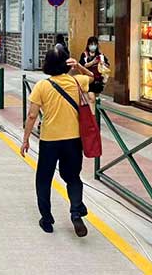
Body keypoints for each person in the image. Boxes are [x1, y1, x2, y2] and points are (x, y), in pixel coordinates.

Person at [21, 45, 96, 237]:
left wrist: (26, 139)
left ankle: (47, 220)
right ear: (66, 63)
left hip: (49, 140)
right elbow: (93, 77)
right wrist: (79, 66)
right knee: (73, 177)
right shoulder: (77, 81)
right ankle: (76, 211)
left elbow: (32, 116)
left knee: (44, 179)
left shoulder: (42, 86)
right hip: (73, 140)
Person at [79, 36, 110, 104]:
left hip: (98, 80)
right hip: (88, 79)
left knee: (94, 98)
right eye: (91, 44)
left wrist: (103, 64)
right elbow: (82, 65)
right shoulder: (85, 55)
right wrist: (93, 62)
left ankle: (94, 108)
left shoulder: (100, 55)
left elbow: (107, 65)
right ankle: (92, 109)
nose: (93, 46)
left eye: (95, 44)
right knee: (91, 97)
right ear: (88, 45)